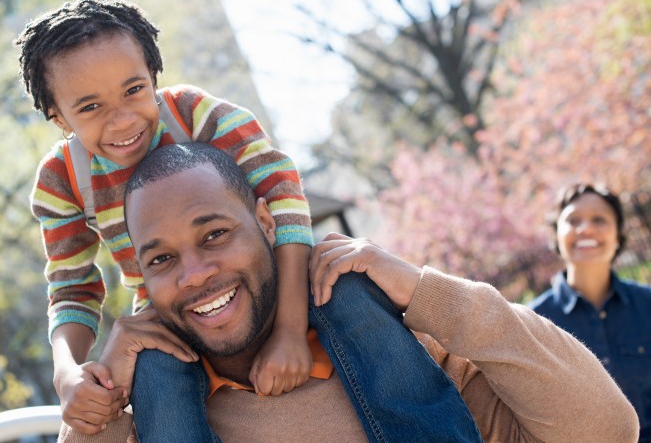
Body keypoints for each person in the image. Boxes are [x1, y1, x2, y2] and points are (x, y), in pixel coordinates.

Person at [16, 0, 481, 441]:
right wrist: (66, 374)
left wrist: (289, 330)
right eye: (91, 107)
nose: (121, 121)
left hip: (274, 273)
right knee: (155, 375)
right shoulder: (63, 180)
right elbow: (72, 286)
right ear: (58, 116)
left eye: (134, 90)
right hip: (175, 306)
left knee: (350, 292)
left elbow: (285, 201)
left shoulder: (196, 117)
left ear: (153, 76)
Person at [59, 143, 639, 442]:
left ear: (267, 223)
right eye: (162, 258)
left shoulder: (405, 357)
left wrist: (424, 290)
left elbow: (605, 430)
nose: (193, 273)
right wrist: (102, 401)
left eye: (215, 234)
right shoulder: (159, 418)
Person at [529, 183, 651, 442]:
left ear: (618, 235)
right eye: (573, 220)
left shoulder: (647, 304)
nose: (586, 229)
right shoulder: (533, 323)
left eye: (599, 219)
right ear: (556, 236)